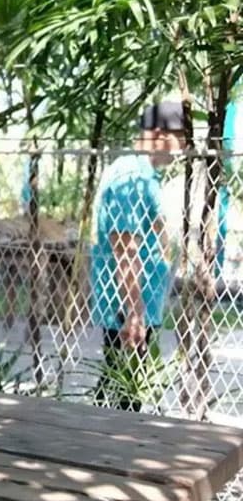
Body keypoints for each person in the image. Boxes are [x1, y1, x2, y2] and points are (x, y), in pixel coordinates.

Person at [90, 101, 186, 411]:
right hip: (128, 306)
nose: (184, 145)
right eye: (182, 135)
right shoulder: (131, 175)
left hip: (140, 304)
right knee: (125, 393)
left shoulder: (146, 175)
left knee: (123, 388)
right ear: (160, 134)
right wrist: (134, 312)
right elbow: (124, 247)